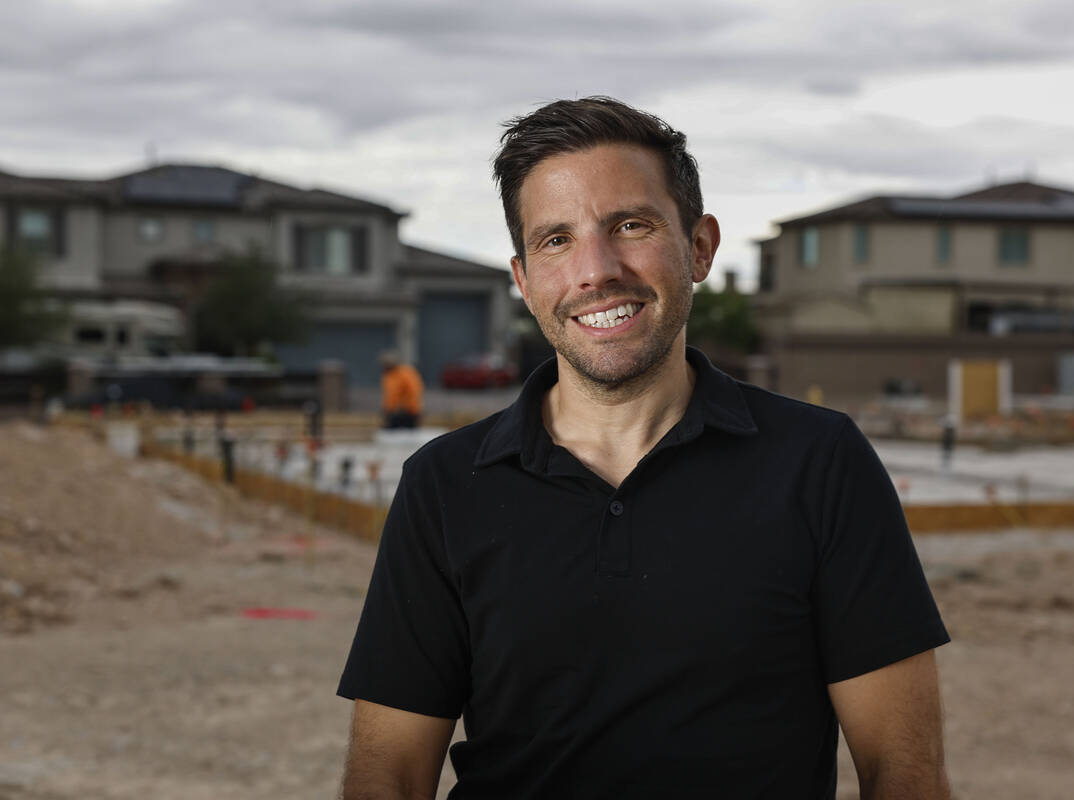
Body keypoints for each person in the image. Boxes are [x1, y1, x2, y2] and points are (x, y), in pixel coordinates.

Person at [338, 97, 951, 799]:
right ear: (524, 281)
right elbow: (388, 774)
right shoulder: (444, 485)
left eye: (630, 226)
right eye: (556, 240)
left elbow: (905, 773)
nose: (596, 271)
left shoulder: (820, 462)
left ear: (700, 247)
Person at [380, 353, 423, 430]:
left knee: (407, 433)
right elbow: (390, 395)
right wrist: (387, 409)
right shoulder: (388, 376)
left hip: (407, 412)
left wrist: (406, 407)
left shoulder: (405, 373)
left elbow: (413, 392)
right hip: (393, 412)